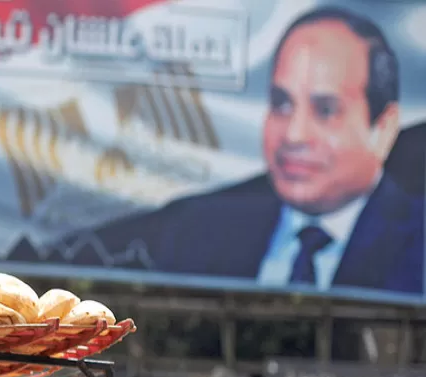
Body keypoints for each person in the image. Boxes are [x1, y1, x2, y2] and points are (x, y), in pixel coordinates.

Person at [61, 7, 422, 295]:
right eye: (281, 103)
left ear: (383, 128)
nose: (294, 134)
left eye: (325, 110)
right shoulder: (198, 230)